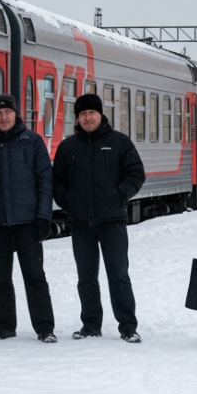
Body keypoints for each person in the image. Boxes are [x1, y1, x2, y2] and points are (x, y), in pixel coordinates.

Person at [53, 94, 146, 343]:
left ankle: (127, 326)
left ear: (100, 115)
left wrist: (119, 195)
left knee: (118, 274)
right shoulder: (68, 147)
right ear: (78, 118)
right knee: (86, 277)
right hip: (80, 223)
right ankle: (91, 324)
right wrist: (68, 201)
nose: (87, 118)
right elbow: (57, 182)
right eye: (82, 114)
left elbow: (136, 173)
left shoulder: (119, 142)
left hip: (112, 222)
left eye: (91, 113)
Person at [0, 93, 58, 343]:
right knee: (0, 277)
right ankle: (5, 326)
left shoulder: (32, 142)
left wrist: (44, 216)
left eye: (8, 112)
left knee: (35, 275)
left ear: (16, 114)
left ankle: (44, 327)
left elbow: (45, 181)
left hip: (27, 221)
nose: (4, 117)